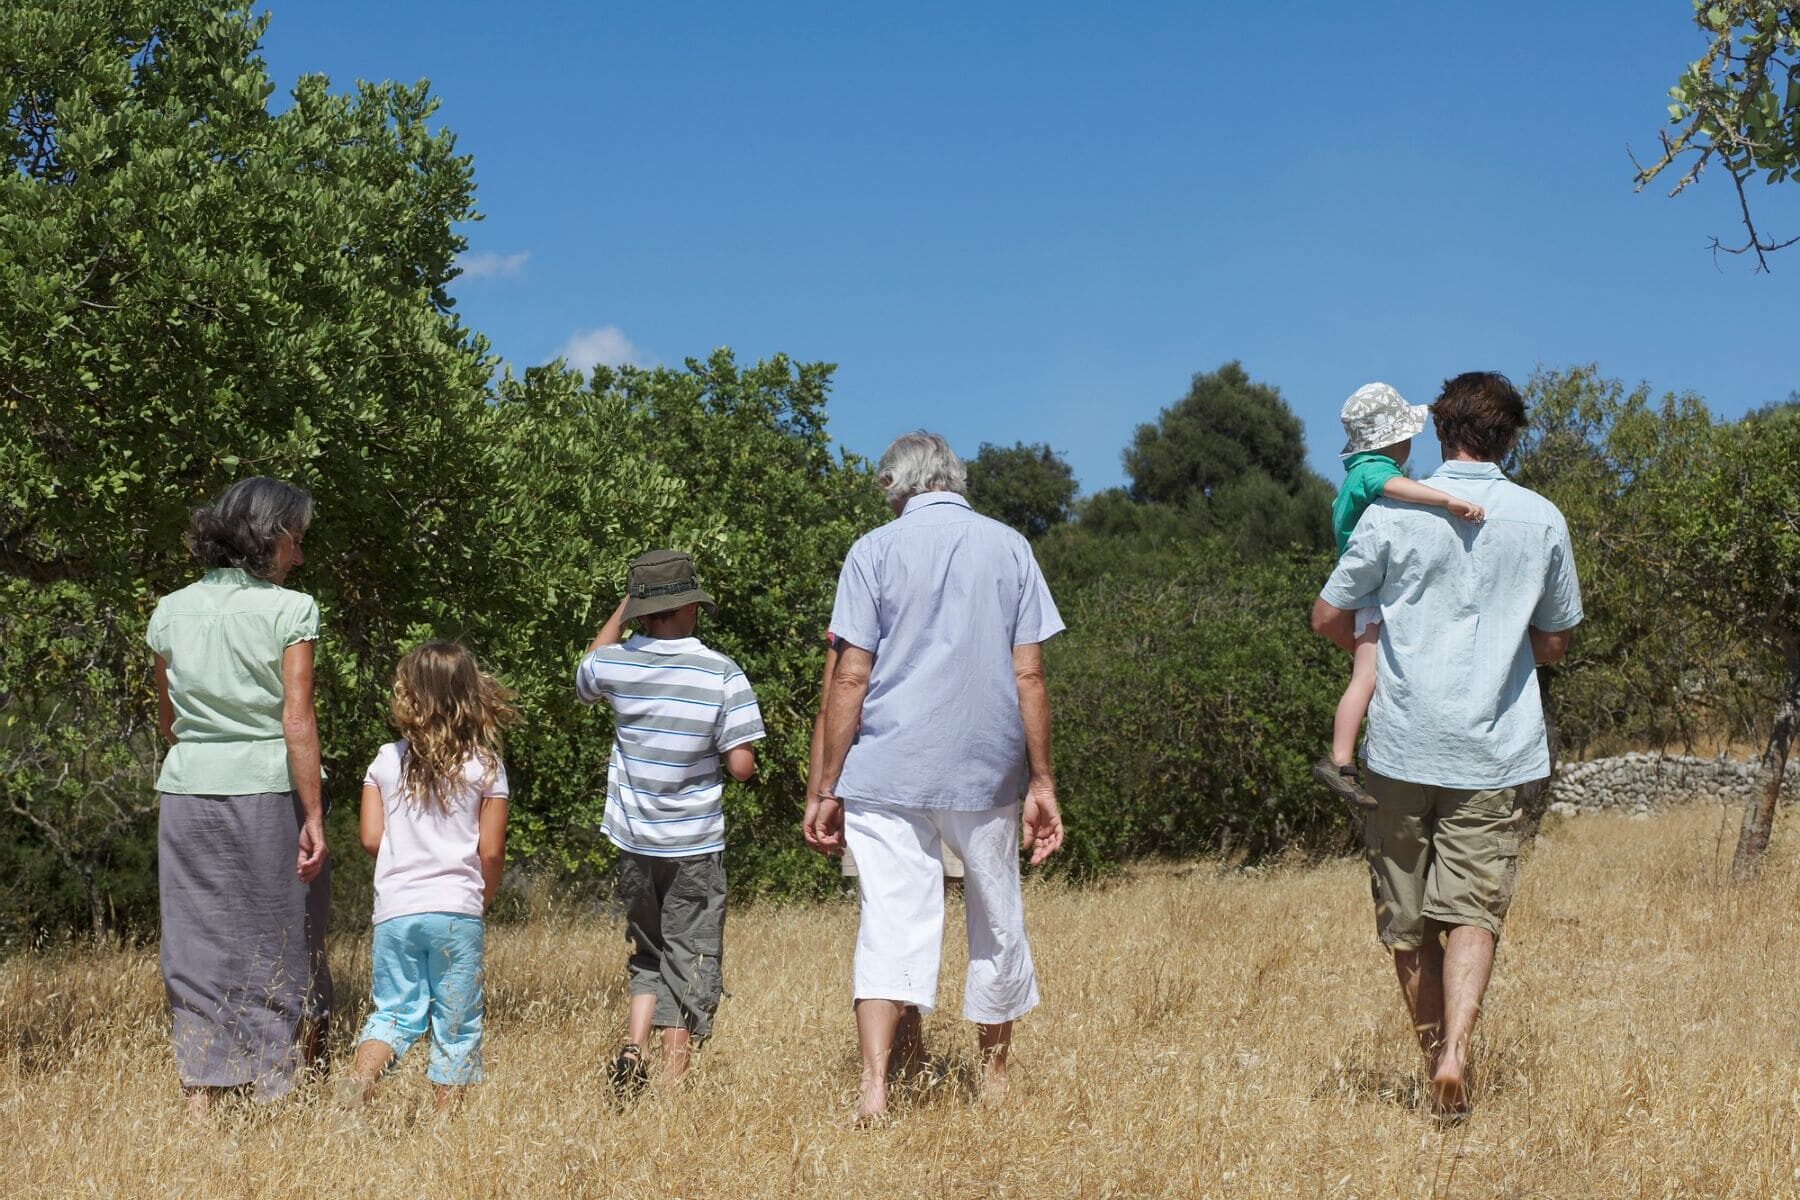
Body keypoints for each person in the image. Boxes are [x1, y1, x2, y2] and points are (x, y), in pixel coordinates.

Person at [1311, 372, 1582, 1117]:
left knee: (1407, 920)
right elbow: (1555, 640)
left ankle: (1434, 1062)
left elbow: (1327, 616)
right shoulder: (1542, 518)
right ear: (1511, 437)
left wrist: (1376, 653)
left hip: (1399, 745)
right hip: (1495, 749)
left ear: (1440, 433)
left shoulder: (1389, 513)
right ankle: (1458, 1050)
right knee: (1472, 912)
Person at [803, 431, 1066, 1124]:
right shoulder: (1010, 545)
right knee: (997, 919)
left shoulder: (871, 551)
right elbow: (1029, 672)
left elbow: (850, 675)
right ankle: (996, 1083)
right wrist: (1042, 781)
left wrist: (826, 787)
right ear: (955, 478)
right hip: (987, 770)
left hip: (887, 768)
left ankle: (874, 1091)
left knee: (890, 922)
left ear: (896, 487)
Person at [147, 476, 332, 1115]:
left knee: (192, 947)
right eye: (295, 541)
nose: (299, 557)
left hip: (187, 788)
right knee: (277, 941)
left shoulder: (170, 610)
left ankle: (201, 1100)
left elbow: (168, 719)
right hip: (266, 789)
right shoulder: (291, 610)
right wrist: (312, 815)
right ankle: (275, 1095)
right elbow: (297, 719)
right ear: (268, 537)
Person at [575, 550, 765, 1093]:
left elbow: (586, 669)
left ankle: (633, 1049)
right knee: (690, 952)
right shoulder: (720, 672)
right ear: (689, 608)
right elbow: (742, 767)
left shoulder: (617, 666)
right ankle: (672, 1084)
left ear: (638, 611)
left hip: (634, 841)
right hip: (694, 842)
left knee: (649, 947)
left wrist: (621, 612)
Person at [348, 642, 515, 1110]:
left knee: (395, 1013)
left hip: (396, 909)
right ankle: (444, 1130)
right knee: (456, 1021)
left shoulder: (384, 759)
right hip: (456, 908)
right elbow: (492, 850)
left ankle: (360, 1083)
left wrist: (407, 856)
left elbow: (369, 838)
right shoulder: (485, 766)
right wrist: (481, 898)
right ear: (470, 693)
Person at [1312, 382, 1487, 809]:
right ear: (1390, 440)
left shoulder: (1355, 473)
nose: (1411, 444)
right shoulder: (1373, 471)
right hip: (1370, 594)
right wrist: (1447, 500)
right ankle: (1339, 760)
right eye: (1407, 436)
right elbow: (1398, 489)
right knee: (1366, 676)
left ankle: (1344, 759)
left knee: (1366, 671)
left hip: (1363, 592)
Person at [805, 632, 963, 1085]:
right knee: (912, 920)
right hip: (943, 782)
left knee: (890, 919)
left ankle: (900, 1059)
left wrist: (820, 794)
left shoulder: (857, 620)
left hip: (873, 787)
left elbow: (830, 705)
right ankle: (909, 1055)